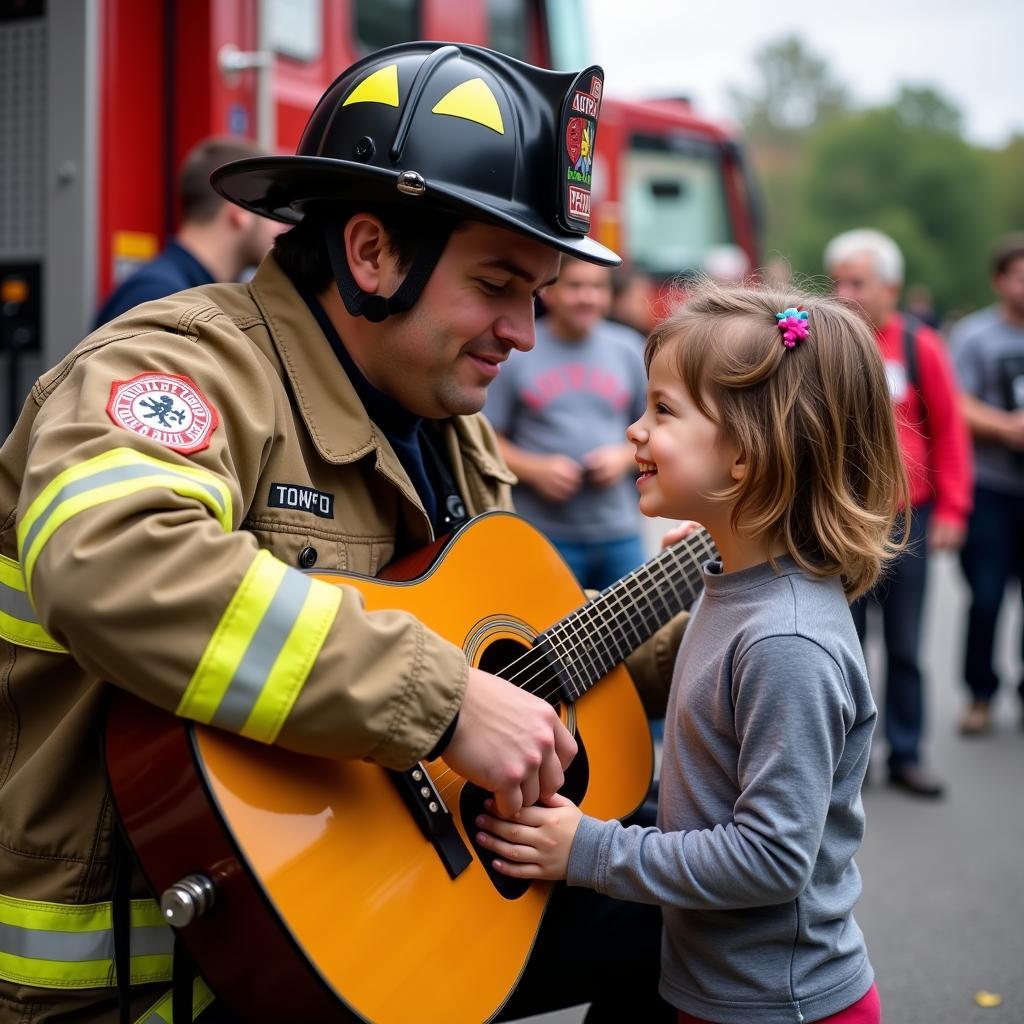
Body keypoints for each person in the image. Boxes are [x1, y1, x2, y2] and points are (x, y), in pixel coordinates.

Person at [0, 42, 682, 1024]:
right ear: (370, 252)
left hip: (373, 925)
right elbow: (116, 561)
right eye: (497, 284)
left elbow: (526, 632)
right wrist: (442, 702)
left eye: (536, 293)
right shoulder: (180, 369)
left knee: (704, 900)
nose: (524, 331)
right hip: (140, 975)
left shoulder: (451, 429)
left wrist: (741, 610)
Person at [476, 281, 907, 1024]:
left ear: (743, 459)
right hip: (709, 987)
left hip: (780, 1005)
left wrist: (590, 849)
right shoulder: (734, 586)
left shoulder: (787, 641)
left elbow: (772, 858)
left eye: (662, 411)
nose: (633, 431)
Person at [825, 228, 972, 798]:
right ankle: (842, 765)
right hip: (843, 522)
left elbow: (950, 433)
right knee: (843, 646)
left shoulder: (919, 346)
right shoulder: (825, 343)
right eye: (837, 279)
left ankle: (906, 754)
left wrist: (954, 509)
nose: (843, 291)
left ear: (891, 287)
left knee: (906, 646)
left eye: (856, 282)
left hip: (906, 521)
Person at [484, 257, 648, 590]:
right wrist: (536, 469)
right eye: (575, 286)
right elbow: (484, 440)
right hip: (544, 534)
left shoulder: (630, 349)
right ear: (548, 292)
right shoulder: (517, 351)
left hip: (619, 531)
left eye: (597, 287)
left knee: (637, 636)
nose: (587, 297)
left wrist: (622, 458)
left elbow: (658, 431)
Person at [949, 234, 1024, 734]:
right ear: (999, 281)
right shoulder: (976, 337)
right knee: (988, 598)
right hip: (991, 491)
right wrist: (1006, 428)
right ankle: (979, 695)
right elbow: (956, 402)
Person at [93, 136, 285, 327]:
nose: (283, 224)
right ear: (241, 210)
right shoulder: (159, 297)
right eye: (273, 208)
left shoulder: (177, 292)